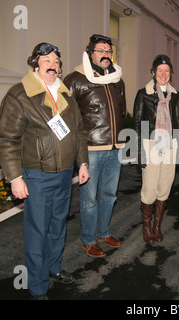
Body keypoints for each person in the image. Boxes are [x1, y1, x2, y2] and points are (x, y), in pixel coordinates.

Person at [0, 42, 90, 299]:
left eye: (56, 61)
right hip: (36, 176)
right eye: (47, 59)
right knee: (37, 231)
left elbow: (80, 133)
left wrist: (82, 163)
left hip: (63, 175)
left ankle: (53, 267)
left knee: (57, 226)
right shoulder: (20, 94)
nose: (53, 64)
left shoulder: (66, 94)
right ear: (35, 63)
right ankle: (37, 286)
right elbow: (7, 139)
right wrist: (15, 178)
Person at [64, 34, 126, 258]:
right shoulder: (75, 79)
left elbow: (121, 113)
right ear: (91, 53)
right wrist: (75, 150)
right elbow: (66, 117)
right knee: (89, 198)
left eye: (108, 51)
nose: (105, 55)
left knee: (109, 194)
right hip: (91, 149)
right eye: (100, 50)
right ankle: (88, 240)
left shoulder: (117, 80)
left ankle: (103, 233)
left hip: (115, 147)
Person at [133, 55, 179, 243]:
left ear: (171, 74)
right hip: (150, 144)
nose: (164, 74)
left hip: (170, 145)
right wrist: (139, 151)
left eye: (167, 71)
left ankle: (157, 226)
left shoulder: (176, 96)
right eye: (160, 70)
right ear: (154, 73)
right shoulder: (143, 94)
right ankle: (146, 227)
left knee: (165, 188)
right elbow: (137, 124)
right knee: (149, 189)